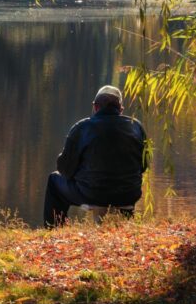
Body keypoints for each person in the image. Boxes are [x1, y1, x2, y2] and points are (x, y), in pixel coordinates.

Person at [44, 85, 147, 227]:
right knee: (125, 183)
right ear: (121, 109)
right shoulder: (136, 127)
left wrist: (82, 174)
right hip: (128, 194)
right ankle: (125, 226)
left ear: (95, 107)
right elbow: (144, 165)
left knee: (54, 181)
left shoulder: (81, 127)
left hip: (92, 194)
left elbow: (65, 170)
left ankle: (53, 231)